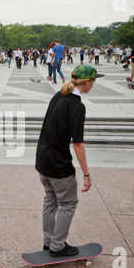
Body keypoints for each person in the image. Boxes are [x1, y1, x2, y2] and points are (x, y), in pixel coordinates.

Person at [35, 64, 104, 257]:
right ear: (87, 82)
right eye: (93, 81)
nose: (93, 85)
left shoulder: (59, 95)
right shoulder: (76, 105)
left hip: (42, 159)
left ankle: (48, 242)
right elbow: (78, 144)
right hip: (58, 164)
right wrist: (87, 175)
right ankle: (58, 246)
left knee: (50, 199)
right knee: (68, 203)